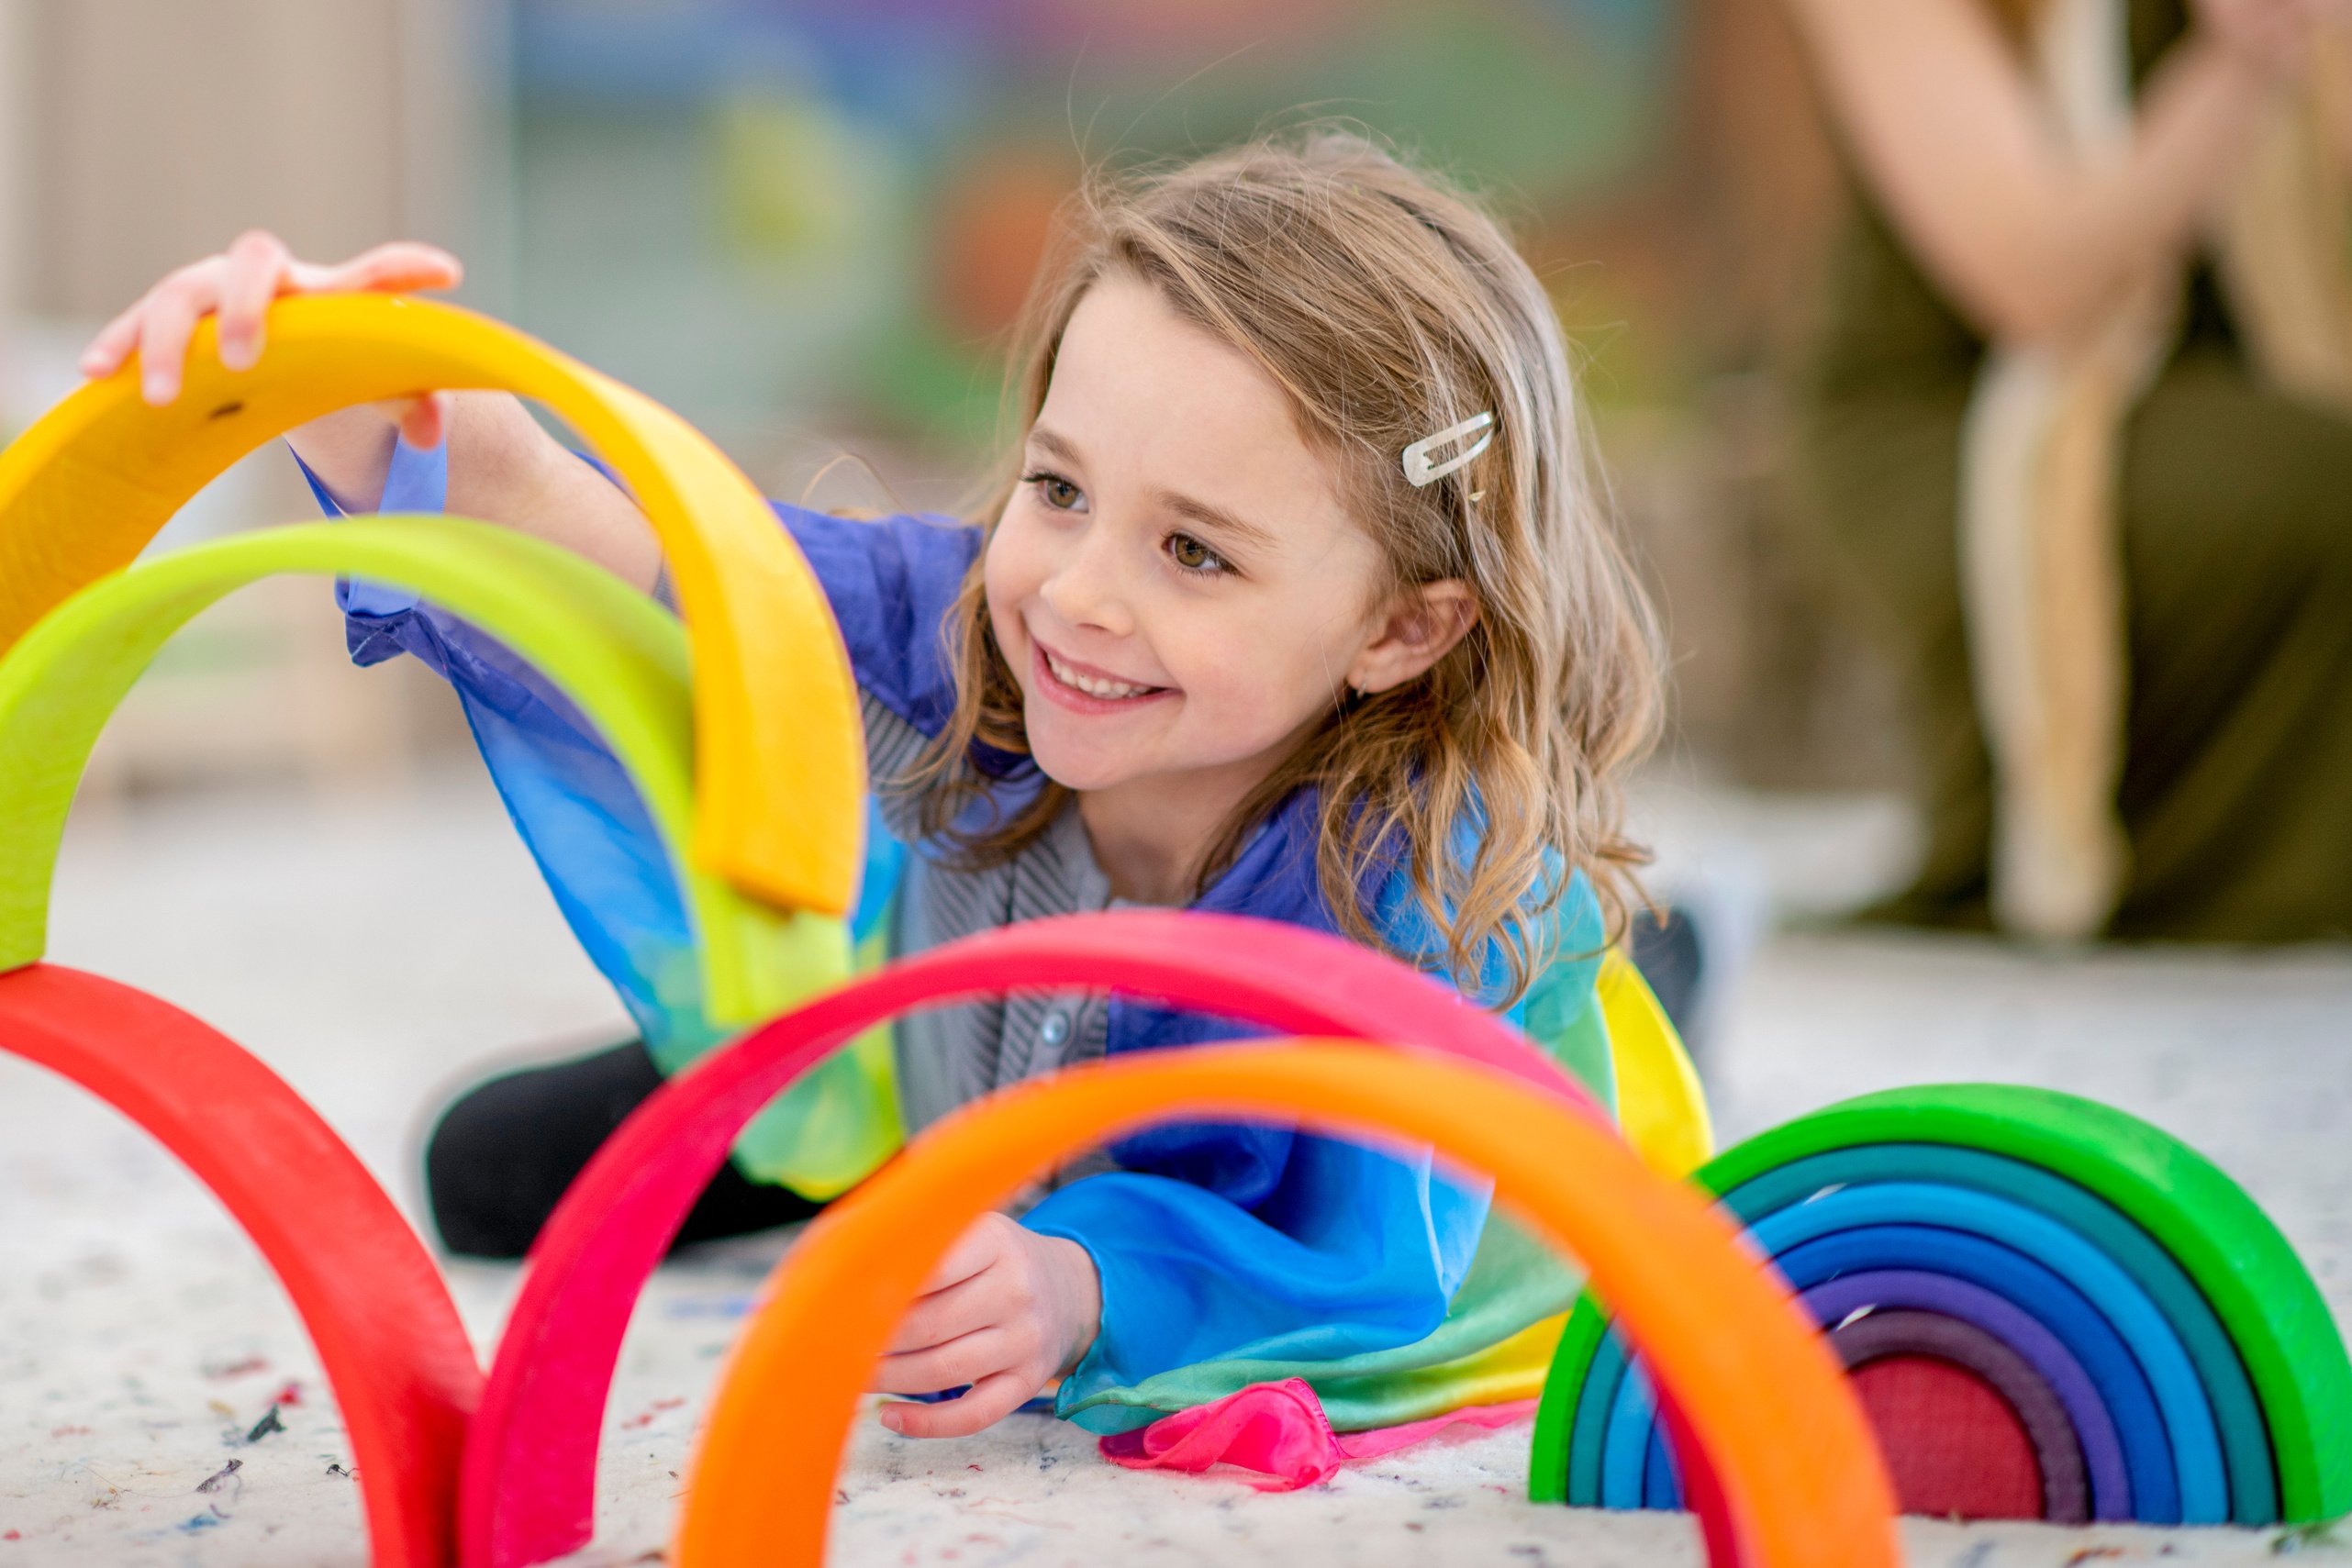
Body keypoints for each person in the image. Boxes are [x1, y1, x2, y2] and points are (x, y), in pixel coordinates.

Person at [85, 132, 1662, 1442]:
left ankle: (1666, 957)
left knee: (1559, 979)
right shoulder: (984, 618)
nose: (1075, 597)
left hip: (1233, 1191)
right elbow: (659, 567)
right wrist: (365, 401)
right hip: (940, 1076)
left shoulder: (1425, 882)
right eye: (1058, 488)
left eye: (1192, 548)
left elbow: (1349, 1250)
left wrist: (1070, 1285)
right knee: (483, 1169)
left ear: (1398, 626)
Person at [1785, 0, 2352, 941]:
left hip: (2230, 391)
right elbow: (2039, 283)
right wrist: (2248, 57)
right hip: (1966, 422)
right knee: (2321, 486)